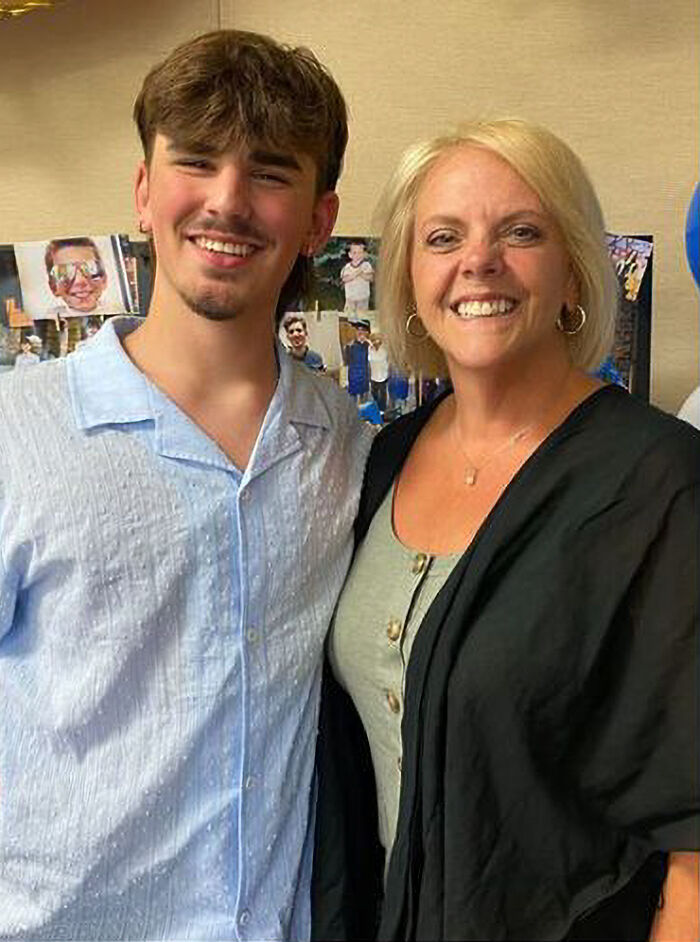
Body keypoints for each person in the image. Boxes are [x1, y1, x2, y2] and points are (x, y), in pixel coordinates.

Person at [0, 30, 371, 942]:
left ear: (320, 221)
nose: (228, 201)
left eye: (272, 172)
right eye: (195, 161)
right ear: (143, 190)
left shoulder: (353, 453)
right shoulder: (17, 430)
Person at [312, 119, 699, 941]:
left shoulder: (660, 480)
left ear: (573, 276)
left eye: (521, 232)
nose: (477, 262)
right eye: (443, 236)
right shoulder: (385, 458)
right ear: (411, 278)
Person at [340, 240, 373, 312]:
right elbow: (344, 279)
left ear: (364, 254)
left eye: (360, 253)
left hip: (363, 298)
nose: (357, 255)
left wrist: (361, 273)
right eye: (354, 253)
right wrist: (355, 274)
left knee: (362, 317)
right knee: (349, 316)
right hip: (350, 298)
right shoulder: (347, 267)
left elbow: (370, 278)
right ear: (350, 255)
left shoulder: (366, 265)